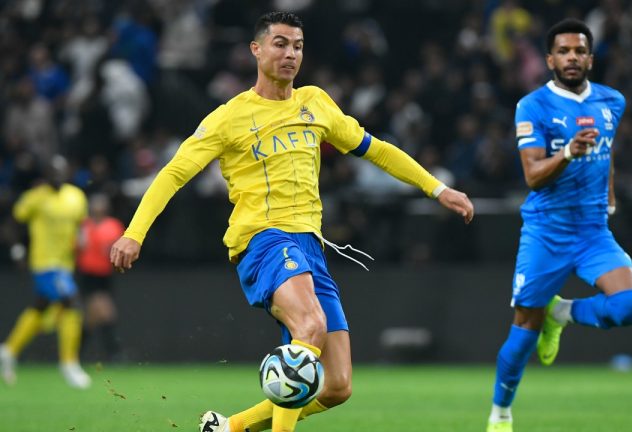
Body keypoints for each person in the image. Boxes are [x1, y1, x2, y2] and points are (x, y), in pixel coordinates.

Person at [109, 11, 474, 432]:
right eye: (280, 44)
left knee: (337, 387)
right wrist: (134, 233)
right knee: (311, 326)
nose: (290, 54)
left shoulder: (315, 102)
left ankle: (229, 428)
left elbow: (377, 150)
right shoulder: (229, 117)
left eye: (297, 46)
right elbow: (173, 173)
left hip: (310, 246)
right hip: (263, 240)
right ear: (256, 49)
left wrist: (437, 188)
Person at [486, 19, 632, 432]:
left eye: (579, 51)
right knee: (523, 334)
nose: (572, 58)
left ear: (590, 58)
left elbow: (606, 151)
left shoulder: (612, 101)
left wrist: (609, 194)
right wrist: (569, 154)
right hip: (546, 230)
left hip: (593, 230)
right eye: (563, 51)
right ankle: (501, 412)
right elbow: (533, 174)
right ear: (549, 59)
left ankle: (564, 313)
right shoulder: (533, 106)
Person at [0, 155, 92, 389]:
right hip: (44, 263)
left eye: (61, 172)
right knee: (72, 303)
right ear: (46, 175)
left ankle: (8, 350)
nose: (58, 177)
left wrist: (82, 239)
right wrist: (18, 249)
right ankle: (69, 363)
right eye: (53, 172)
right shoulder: (35, 198)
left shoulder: (76, 196)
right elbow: (11, 224)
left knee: (41, 307)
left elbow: (81, 224)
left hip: (65, 264)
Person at [77, 193, 125, 361]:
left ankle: (75, 355)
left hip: (104, 274)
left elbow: (118, 246)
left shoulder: (113, 225)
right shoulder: (84, 225)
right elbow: (77, 247)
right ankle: (115, 353)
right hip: (89, 274)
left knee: (91, 318)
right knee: (106, 312)